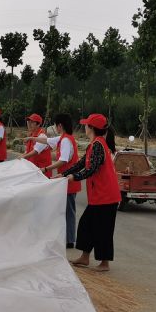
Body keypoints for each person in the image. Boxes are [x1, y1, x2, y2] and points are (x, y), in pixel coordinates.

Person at [56, 113, 121, 271]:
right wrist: (64, 174)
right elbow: (81, 163)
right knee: (86, 225)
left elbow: (92, 169)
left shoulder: (98, 145)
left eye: (86, 125)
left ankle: (104, 263)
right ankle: (85, 257)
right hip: (99, 195)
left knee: (103, 230)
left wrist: (74, 177)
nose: (84, 127)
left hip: (106, 196)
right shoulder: (95, 144)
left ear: (91, 128)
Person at [41, 114, 81, 248]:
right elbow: (47, 141)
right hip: (65, 180)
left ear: (60, 125)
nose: (55, 128)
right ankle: (66, 237)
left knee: (68, 211)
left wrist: (46, 168)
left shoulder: (65, 141)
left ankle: (69, 240)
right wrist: (31, 138)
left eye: (55, 125)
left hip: (68, 180)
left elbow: (63, 160)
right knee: (64, 210)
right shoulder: (64, 138)